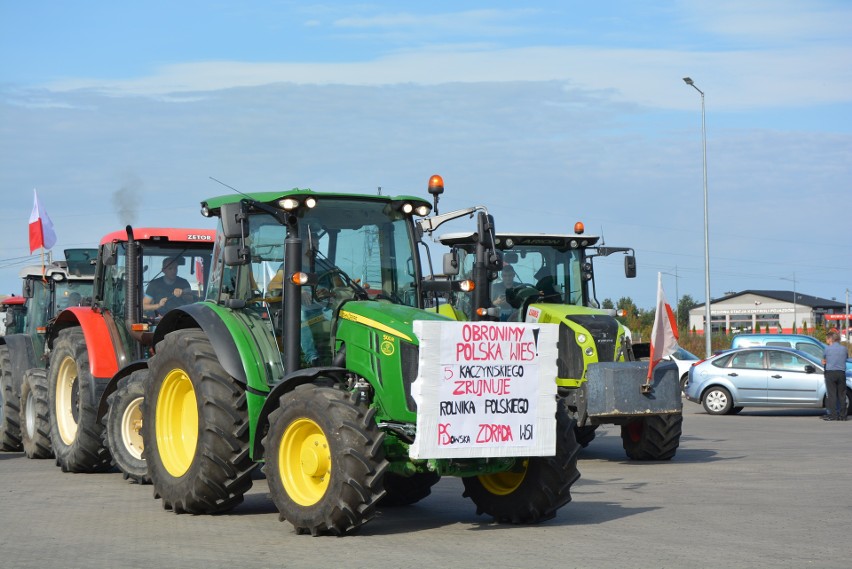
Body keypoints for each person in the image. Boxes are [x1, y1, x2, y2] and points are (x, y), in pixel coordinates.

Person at [821, 330, 848, 421]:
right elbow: (846, 358)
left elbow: (824, 360)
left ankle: (833, 415)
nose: (826, 341)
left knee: (832, 395)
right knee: (842, 395)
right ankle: (843, 416)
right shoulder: (844, 349)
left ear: (830, 339)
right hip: (841, 373)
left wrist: (824, 362)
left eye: (827, 339)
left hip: (830, 373)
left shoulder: (827, 349)